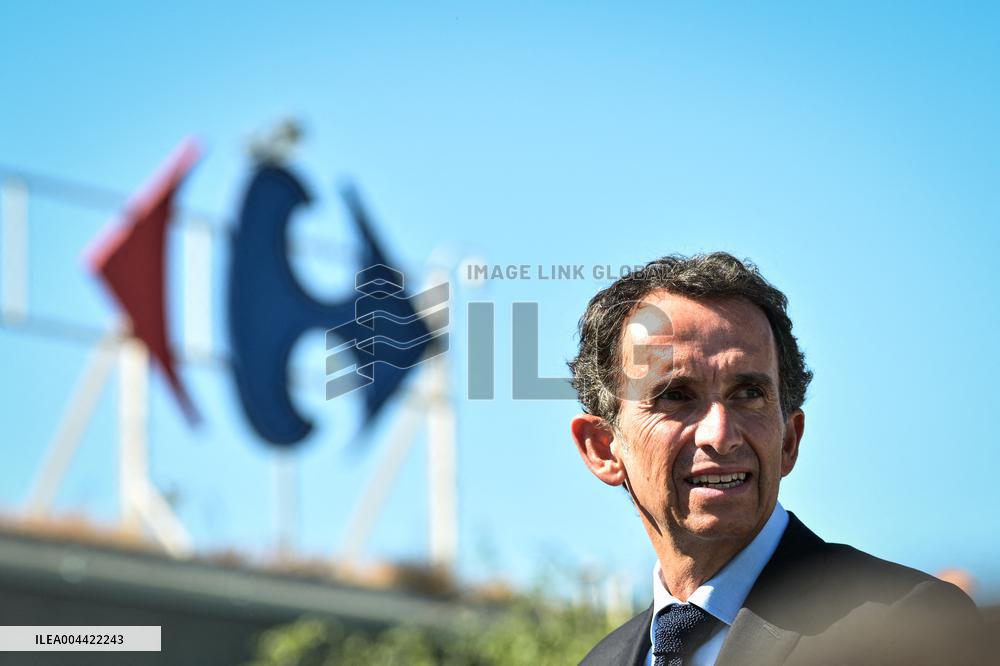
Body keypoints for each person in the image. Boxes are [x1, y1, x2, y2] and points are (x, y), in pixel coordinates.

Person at [568, 253, 984, 665]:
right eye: (675, 396)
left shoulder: (906, 626)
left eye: (748, 394)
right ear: (603, 448)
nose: (721, 435)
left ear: (790, 440)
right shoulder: (603, 660)